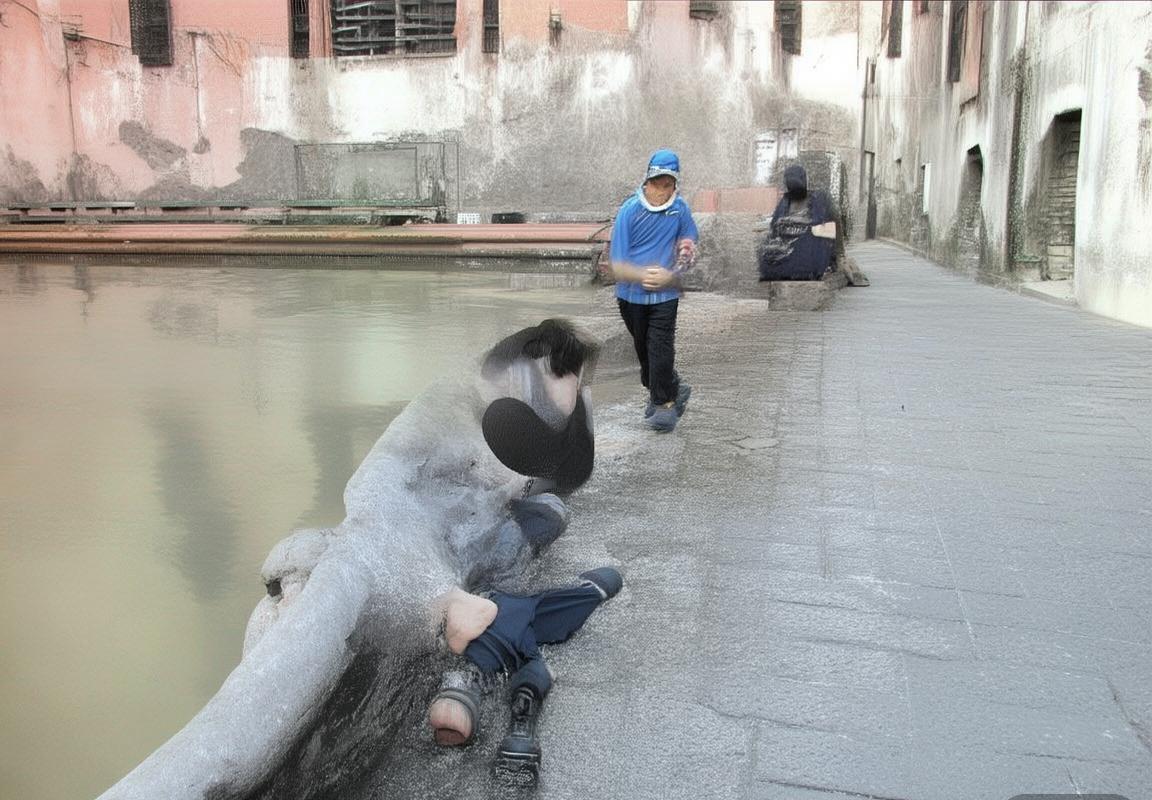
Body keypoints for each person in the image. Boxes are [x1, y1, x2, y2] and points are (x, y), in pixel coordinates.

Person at [427, 567, 623, 784]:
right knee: (529, 644)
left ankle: (468, 681)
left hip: (490, 600)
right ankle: (523, 706)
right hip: (521, 606)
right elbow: (608, 579)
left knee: (505, 618)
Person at [610, 149, 700, 433]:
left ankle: (664, 405)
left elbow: (689, 244)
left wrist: (672, 274)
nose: (661, 191)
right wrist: (642, 275)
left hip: (665, 296)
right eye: (656, 184)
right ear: (646, 182)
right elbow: (617, 264)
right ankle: (672, 388)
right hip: (630, 296)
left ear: (674, 186)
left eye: (667, 185)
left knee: (660, 348)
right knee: (644, 353)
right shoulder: (630, 211)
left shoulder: (680, 210)